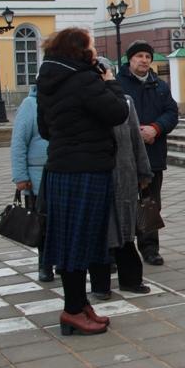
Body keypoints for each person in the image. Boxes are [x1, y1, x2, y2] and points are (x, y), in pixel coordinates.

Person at [36, 27, 128, 335]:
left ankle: (77, 304)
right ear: (79, 50)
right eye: (90, 45)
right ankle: (73, 310)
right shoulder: (84, 79)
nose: (95, 50)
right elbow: (117, 113)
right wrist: (112, 83)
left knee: (70, 241)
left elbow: (46, 130)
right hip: (86, 170)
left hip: (61, 168)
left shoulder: (49, 80)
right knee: (81, 241)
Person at [117, 40, 178, 266]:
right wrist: (134, 131)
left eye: (147, 56)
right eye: (139, 56)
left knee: (150, 203)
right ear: (130, 59)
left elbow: (172, 112)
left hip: (153, 153)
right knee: (122, 202)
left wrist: (156, 128)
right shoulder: (117, 84)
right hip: (124, 156)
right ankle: (120, 248)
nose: (144, 60)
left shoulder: (159, 85)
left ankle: (150, 248)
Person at [91, 94, 154, 300]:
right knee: (101, 232)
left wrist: (144, 171)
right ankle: (100, 285)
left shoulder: (125, 101)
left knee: (126, 232)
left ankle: (131, 280)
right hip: (98, 175)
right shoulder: (87, 99)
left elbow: (136, 138)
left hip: (124, 175)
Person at [10, 85, 54, 282]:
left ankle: (61, 262)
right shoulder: (30, 104)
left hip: (62, 171)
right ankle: (44, 264)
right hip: (37, 175)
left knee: (61, 223)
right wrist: (20, 176)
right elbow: (19, 141)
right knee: (42, 223)